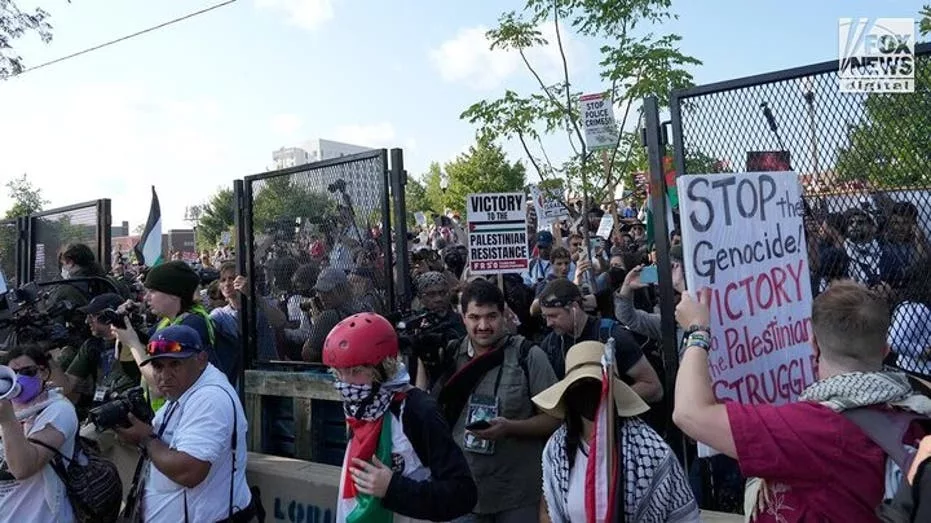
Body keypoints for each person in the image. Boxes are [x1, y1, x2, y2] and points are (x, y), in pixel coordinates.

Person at [672, 280, 931, 522]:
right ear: (885, 351)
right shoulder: (916, 401)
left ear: (813, 345)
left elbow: (689, 413)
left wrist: (697, 330)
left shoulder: (813, 429)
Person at [323, 312, 477, 522]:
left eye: (355, 371)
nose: (345, 383)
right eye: (338, 373)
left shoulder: (418, 410)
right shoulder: (357, 409)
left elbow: (463, 494)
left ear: (382, 367)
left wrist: (392, 488)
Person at [433, 279, 560, 521]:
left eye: (491, 316)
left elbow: (555, 419)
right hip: (463, 493)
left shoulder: (528, 356)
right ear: (463, 318)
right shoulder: (450, 355)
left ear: (504, 315)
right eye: (474, 317)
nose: (483, 326)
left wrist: (510, 428)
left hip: (517, 495)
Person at [535, 341, 699, 522]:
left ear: (610, 390)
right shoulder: (557, 449)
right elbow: (548, 511)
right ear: (569, 394)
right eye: (580, 385)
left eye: (595, 384)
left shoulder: (651, 450)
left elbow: (683, 517)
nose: (588, 392)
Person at [115, 325, 253, 522]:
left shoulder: (210, 398)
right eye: (158, 366)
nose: (165, 375)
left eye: (175, 364)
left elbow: (189, 471)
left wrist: (145, 438)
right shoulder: (184, 389)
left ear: (201, 360)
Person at [0, 345, 79, 523]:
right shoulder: (8, 410)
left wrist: (7, 421)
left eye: (27, 371)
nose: (19, 378)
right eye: (13, 373)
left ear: (43, 373)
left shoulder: (59, 410)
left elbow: (24, 467)